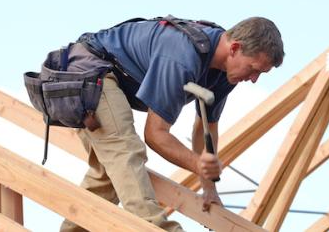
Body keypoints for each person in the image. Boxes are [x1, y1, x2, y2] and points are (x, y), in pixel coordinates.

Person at [59, 16, 284, 232]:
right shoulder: (182, 57)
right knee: (125, 152)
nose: (254, 79)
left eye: (260, 74)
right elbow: (155, 134)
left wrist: (209, 188)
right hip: (89, 70)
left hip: (109, 78)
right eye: (253, 68)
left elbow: (205, 128)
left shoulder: (225, 73)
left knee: (109, 175)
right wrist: (198, 165)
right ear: (234, 48)